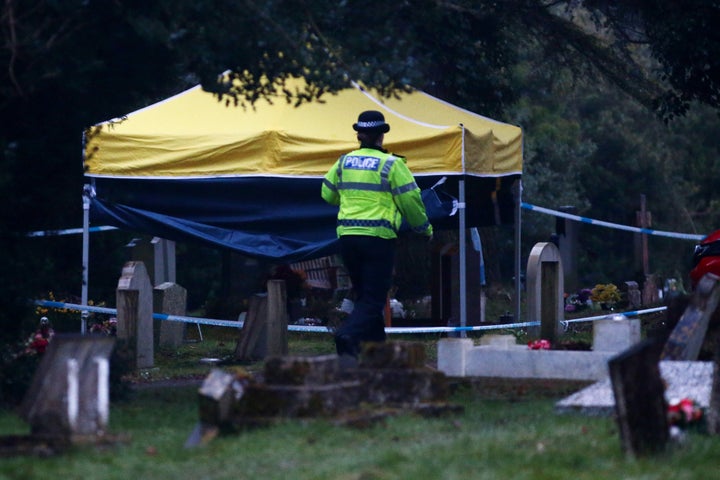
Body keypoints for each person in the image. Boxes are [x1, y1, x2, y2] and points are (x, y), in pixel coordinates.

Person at [321, 110, 433, 364]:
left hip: (348, 238)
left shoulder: (343, 162)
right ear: (382, 136)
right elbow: (411, 201)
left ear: (359, 135)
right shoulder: (392, 165)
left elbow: (327, 195)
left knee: (364, 295)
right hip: (378, 239)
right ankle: (346, 335)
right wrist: (424, 228)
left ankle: (376, 354)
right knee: (373, 298)